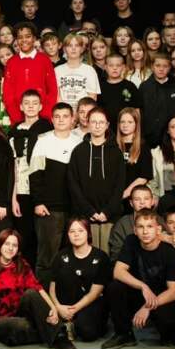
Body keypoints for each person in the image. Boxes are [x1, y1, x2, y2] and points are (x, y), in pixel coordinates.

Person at [0, 229, 78, 349]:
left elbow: (38, 288)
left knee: (31, 293)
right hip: (0, 321)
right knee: (17, 327)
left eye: (14, 245)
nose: (10, 248)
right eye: (7, 244)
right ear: (0, 245)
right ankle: (50, 329)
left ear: (18, 249)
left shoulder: (22, 265)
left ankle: (60, 337)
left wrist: (53, 308)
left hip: (20, 312)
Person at [101, 210, 175, 349]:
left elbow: (173, 291)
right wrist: (143, 287)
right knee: (115, 287)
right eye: (140, 227)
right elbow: (118, 272)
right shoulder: (131, 241)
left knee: (169, 332)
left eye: (150, 226)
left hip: (160, 297)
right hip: (139, 293)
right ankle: (124, 334)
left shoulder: (170, 252)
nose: (145, 231)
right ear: (135, 230)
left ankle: (164, 332)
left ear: (158, 230)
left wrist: (147, 307)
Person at [29, 102, 78, 284]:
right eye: (57, 116)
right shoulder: (43, 141)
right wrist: (38, 202)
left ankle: (65, 295)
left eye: (65, 116)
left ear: (72, 119)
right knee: (47, 257)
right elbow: (34, 173)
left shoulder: (79, 143)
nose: (61, 120)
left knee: (70, 256)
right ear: (52, 119)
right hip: (49, 209)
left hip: (73, 209)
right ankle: (43, 297)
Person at [67, 107, 127, 254]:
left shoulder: (116, 152)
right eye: (94, 122)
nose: (97, 126)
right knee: (87, 255)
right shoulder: (78, 151)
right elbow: (73, 184)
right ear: (88, 124)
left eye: (101, 122)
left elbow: (119, 185)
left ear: (107, 125)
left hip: (110, 215)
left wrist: (107, 211)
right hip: (86, 215)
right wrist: (89, 211)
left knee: (108, 255)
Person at [49, 218, 112, 342]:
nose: (76, 234)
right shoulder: (61, 256)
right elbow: (52, 287)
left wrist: (72, 311)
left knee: (88, 332)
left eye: (80, 231)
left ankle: (72, 324)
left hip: (89, 303)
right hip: (64, 304)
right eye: (72, 231)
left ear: (88, 233)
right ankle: (67, 324)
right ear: (68, 235)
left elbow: (94, 293)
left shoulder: (101, 257)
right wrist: (58, 307)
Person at [8, 90, 52, 267]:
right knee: (23, 237)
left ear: (41, 106)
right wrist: (13, 198)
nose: (31, 106)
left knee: (41, 237)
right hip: (21, 189)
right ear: (21, 106)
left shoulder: (47, 129)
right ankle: (22, 273)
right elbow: (13, 166)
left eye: (35, 103)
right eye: (27, 103)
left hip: (41, 190)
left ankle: (39, 276)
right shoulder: (14, 131)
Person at [3, 23, 58, 124]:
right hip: (18, 120)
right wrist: (17, 118)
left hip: (42, 119)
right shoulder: (11, 62)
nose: (24, 40)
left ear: (34, 38)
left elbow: (52, 90)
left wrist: (45, 116)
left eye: (28, 36)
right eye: (20, 37)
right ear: (16, 40)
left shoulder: (44, 60)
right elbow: (8, 94)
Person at [138, 53, 175, 144]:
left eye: (165, 66)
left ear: (169, 68)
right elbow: (140, 113)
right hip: (149, 136)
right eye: (158, 65)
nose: (161, 69)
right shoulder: (145, 87)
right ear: (152, 67)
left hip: (171, 136)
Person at [108, 185, 159, 261]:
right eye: (137, 199)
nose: (142, 202)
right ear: (131, 203)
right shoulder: (122, 224)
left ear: (152, 201)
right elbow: (116, 254)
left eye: (146, 199)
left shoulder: (160, 221)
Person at [116, 108, 154, 204]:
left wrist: (123, 194)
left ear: (136, 124)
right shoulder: (112, 146)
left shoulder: (143, 147)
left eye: (130, 122)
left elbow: (144, 176)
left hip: (135, 199)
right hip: (114, 197)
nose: (125, 125)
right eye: (122, 122)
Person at [55, 32, 100, 112]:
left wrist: (80, 113)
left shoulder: (90, 70)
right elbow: (57, 96)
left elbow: (92, 97)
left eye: (77, 45)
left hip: (84, 114)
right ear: (64, 49)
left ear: (82, 49)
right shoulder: (57, 70)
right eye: (70, 45)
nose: (73, 48)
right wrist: (67, 113)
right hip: (64, 114)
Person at [100, 54, 142, 125]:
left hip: (127, 127)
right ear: (105, 67)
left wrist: (137, 128)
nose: (115, 68)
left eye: (118, 65)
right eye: (111, 65)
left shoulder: (130, 86)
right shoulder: (100, 87)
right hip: (105, 127)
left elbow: (136, 110)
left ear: (123, 67)